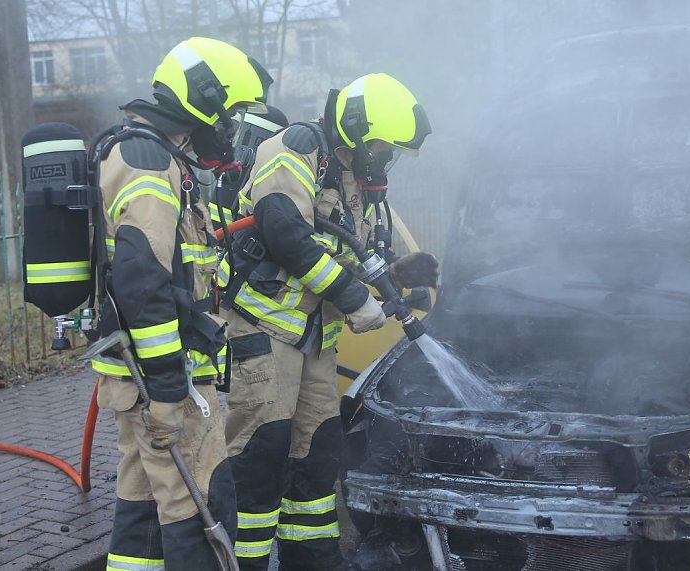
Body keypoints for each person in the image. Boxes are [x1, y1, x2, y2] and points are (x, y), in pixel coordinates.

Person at [221, 73, 435, 570]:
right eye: (381, 146)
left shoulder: (351, 177)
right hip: (265, 333)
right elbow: (285, 235)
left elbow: (338, 252)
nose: (384, 158)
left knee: (317, 457)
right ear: (357, 128)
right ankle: (241, 562)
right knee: (260, 456)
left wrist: (392, 277)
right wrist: (354, 298)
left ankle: (314, 560)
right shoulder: (295, 149)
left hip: (316, 341)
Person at [91, 37, 272, 571]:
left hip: (142, 380)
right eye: (231, 113)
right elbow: (144, 283)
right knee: (200, 509)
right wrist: (170, 392)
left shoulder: (152, 154)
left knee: (143, 514)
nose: (232, 128)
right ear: (204, 100)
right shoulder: (150, 163)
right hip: (167, 383)